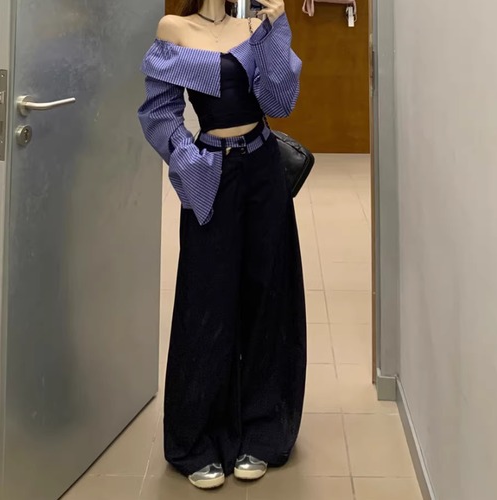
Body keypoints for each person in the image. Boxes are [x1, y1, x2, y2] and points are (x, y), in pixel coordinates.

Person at [138, 0, 307, 490]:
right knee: (205, 300)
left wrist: (276, 25)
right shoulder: (174, 28)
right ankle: (196, 438)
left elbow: (280, 102)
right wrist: (190, 163)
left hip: (263, 172)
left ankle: (263, 429)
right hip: (210, 171)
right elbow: (159, 112)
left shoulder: (255, 26)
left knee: (266, 296)